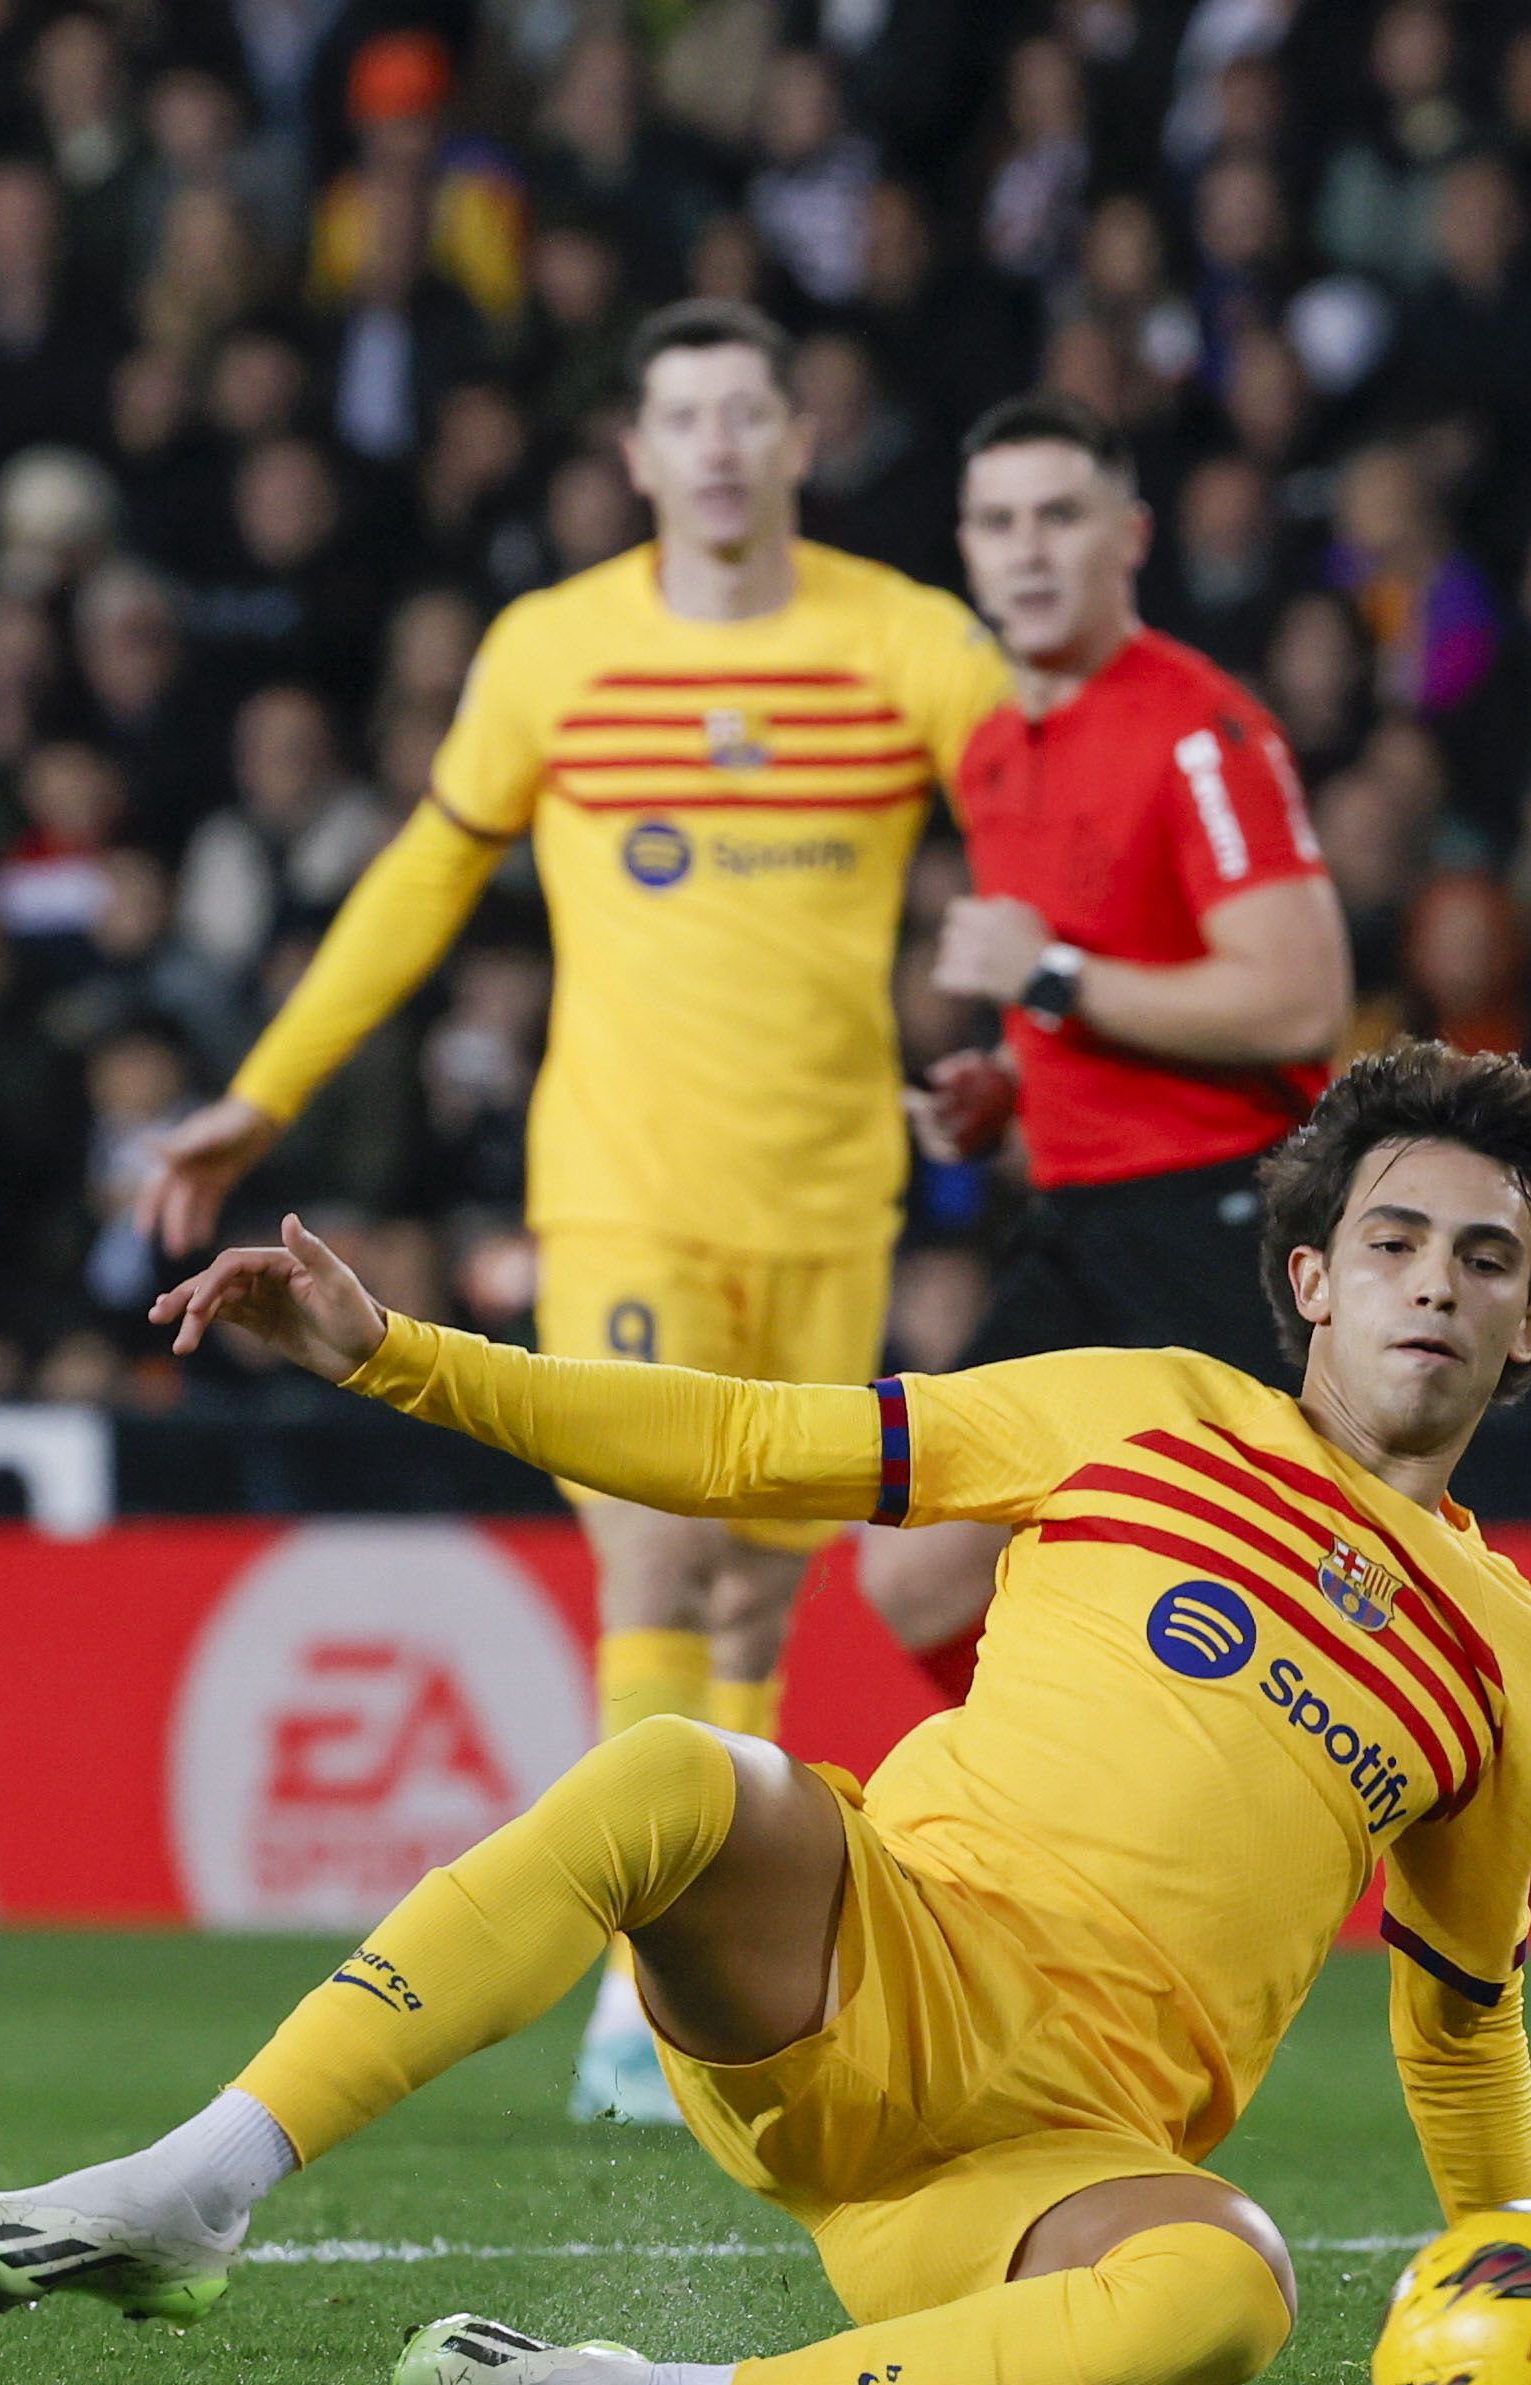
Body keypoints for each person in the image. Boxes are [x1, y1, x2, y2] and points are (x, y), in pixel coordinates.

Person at [0, 1044, 1531, 2385]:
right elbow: (738, 1442)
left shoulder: (1507, 1656)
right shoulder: (1144, 1412)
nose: (1432, 1288)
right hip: (862, 1956)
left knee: (1230, 2297)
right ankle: (201, 2182)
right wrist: (399, 1362)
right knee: (680, 1772)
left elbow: (1462, 2024)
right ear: (1311, 1278)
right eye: (1394, 1242)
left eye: (1485, 1259)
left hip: (1044, 2173)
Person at [129, 300, 1013, 2129]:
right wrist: (269, 1088)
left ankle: (724, 1950)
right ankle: (644, 1989)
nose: (713, 444)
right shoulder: (553, 650)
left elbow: (1042, 822)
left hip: (830, 1196)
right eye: (678, 413)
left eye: (746, 413)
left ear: (797, 440)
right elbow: (420, 876)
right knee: (649, 1557)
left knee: (762, 1584)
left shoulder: (909, 642)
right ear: (635, 452)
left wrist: (1053, 1019)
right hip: (618, 1190)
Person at [867, 393, 1531, 2145]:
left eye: (1057, 519)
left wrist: (1048, 986)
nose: (1026, 552)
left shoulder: (1198, 733)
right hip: (1082, 1220)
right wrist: (1008, 1086)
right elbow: (1093, 999)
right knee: (916, 1586)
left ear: (1129, 541)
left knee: (1402, 1613)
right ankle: (1108, 1879)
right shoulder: (999, 748)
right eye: (996, 524)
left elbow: (1292, 997)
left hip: (1221, 1224)